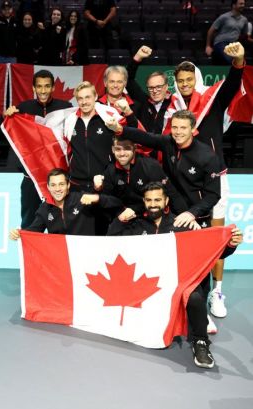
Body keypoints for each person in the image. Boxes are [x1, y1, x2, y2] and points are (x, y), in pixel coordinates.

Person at [107, 181, 243, 369]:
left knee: (194, 296)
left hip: (178, 283)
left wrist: (231, 244)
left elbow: (211, 253)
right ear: (144, 202)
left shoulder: (183, 225)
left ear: (166, 201)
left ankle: (200, 342)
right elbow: (108, 244)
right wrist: (120, 220)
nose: (153, 204)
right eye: (149, 200)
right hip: (145, 284)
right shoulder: (135, 226)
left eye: (157, 200)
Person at [170, 42, 245, 317]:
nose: (185, 84)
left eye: (189, 80)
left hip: (215, 178)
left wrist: (238, 62)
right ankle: (191, 289)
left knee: (216, 234)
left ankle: (217, 291)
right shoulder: (173, 109)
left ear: (197, 80)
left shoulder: (212, 101)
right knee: (189, 235)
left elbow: (231, 85)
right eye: (181, 81)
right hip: (184, 183)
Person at [106, 110, 221, 231]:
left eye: (183, 128)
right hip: (170, 213)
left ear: (193, 129)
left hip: (196, 216)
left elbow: (213, 194)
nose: (178, 132)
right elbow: (145, 137)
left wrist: (192, 213)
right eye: (175, 127)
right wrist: (119, 128)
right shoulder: (168, 143)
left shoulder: (208, 156)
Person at [3, 70, 72, 229]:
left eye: (47, 86)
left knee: (63, 223)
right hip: (31, 178)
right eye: (39, 86)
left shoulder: (65, 108)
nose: (43, 91)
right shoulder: (23, 108)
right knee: (29, 223)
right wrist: (5, 116)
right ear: (33, 88)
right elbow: (3, 132)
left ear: (53, 87)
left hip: (58, 180)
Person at [93, 137, 187, 220]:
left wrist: (186, 215)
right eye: (118, 149)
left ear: (135, 148)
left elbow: (171, 193)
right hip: (123, 217)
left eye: (127, 148)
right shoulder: (110, 170)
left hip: (150, 216)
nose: (122, 153)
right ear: (113, 150)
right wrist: (98, 189)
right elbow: (107, 201)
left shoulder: (150, 166)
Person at [9, 168, 122, 236]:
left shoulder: (81, 199)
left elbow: (116, 202)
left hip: (87, 256)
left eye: (61, 184)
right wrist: (20, 233)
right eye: (53, 185)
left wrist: (97, 198)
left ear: (68, 185)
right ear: (48, 187)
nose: (57, 189)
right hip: (62, 259)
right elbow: (33, 231)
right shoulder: (45, 208)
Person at [125, 46, 173, 135]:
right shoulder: (144, 101)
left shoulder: (175, 102)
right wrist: (137, 58)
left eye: (159, 86)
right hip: (146, 147)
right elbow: (127, 79)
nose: (155, 91)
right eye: (151, 88)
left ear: (166, 86)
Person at [206, 0, 248, 64]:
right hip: (221, 43)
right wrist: (208, 46)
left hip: (234, 44)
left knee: (240, 60)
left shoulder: (244, 20)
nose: (243, 6)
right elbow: (211, 30)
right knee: (229, 58)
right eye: (241, 4)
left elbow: (244, 34)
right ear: (234, 5)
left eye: (244, 4)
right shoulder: (224, 17)